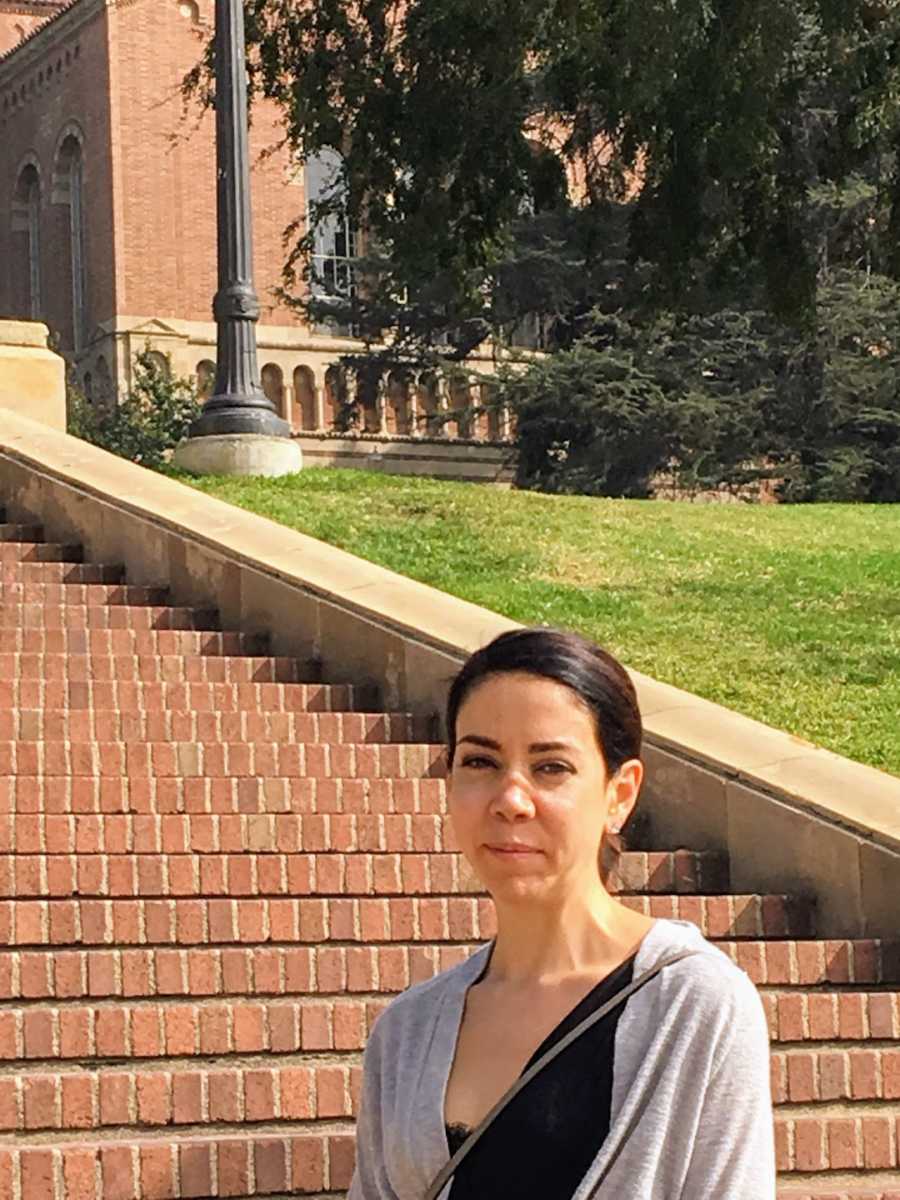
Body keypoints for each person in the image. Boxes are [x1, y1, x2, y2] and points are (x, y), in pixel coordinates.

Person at [349, 627, 775, 1200]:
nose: (511, 799)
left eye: (551, 767)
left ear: (619, 794)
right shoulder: (405, 1033)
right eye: (479, 761)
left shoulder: (693, 1005)